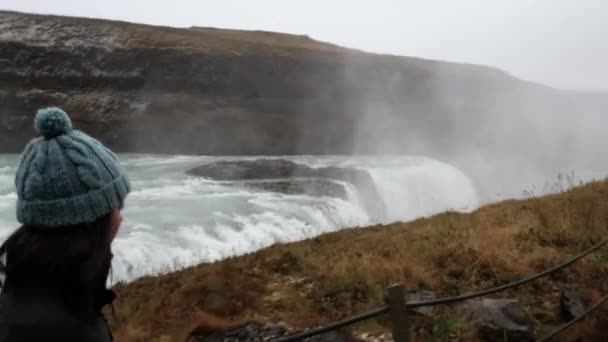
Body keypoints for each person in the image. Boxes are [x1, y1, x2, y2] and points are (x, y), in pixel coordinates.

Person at [0, 107, 130, 341]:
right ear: (90, 221)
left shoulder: (19, 293)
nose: (120, 217)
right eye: (117, 205)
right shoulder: (70, 329)